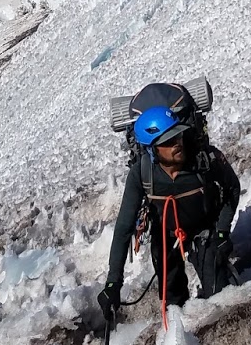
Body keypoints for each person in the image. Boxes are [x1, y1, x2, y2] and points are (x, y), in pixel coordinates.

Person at [99, 103, 240, 325]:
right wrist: (112, 283)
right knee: (174, 304)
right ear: (152, 149)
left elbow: (232, 188)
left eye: (179, 136)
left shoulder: (204, 159)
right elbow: (124, 228)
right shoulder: (141, 175)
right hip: (165, 237)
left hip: (204, 230)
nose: (178, 144)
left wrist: (222, 232)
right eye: (168, 141)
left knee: (219, 298)